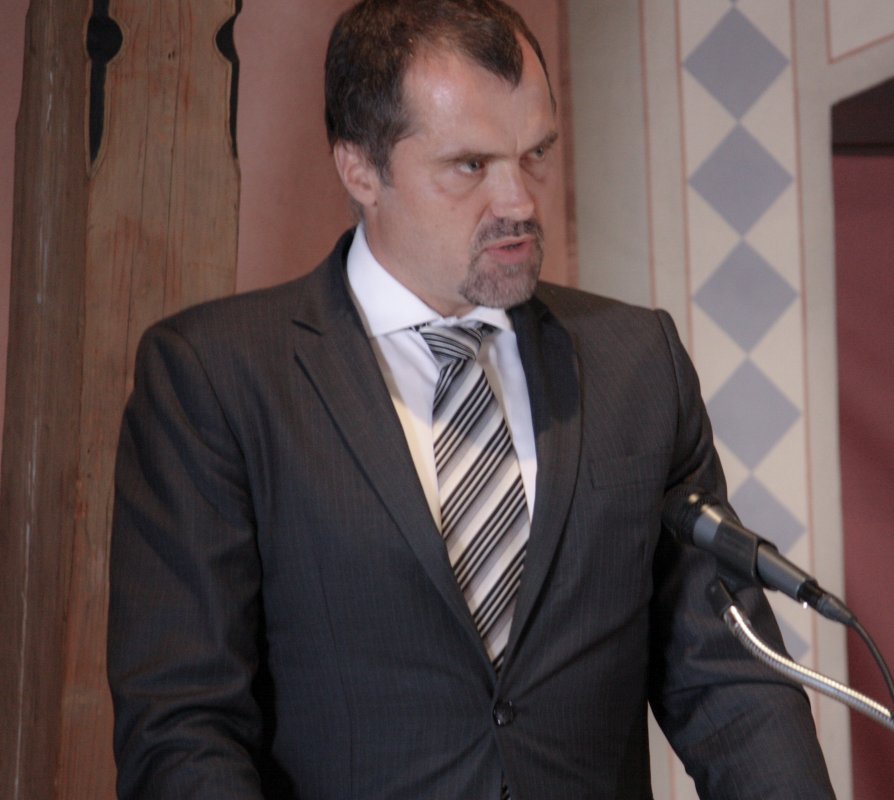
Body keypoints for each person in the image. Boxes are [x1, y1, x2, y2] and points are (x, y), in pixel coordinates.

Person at [106, 1, 836, 798]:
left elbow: (731, 683)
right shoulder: (216, 378)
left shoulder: (637, 364)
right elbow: (184, 725)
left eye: (536, 153)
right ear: (359, 168)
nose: (518, 201)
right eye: (470, 166)